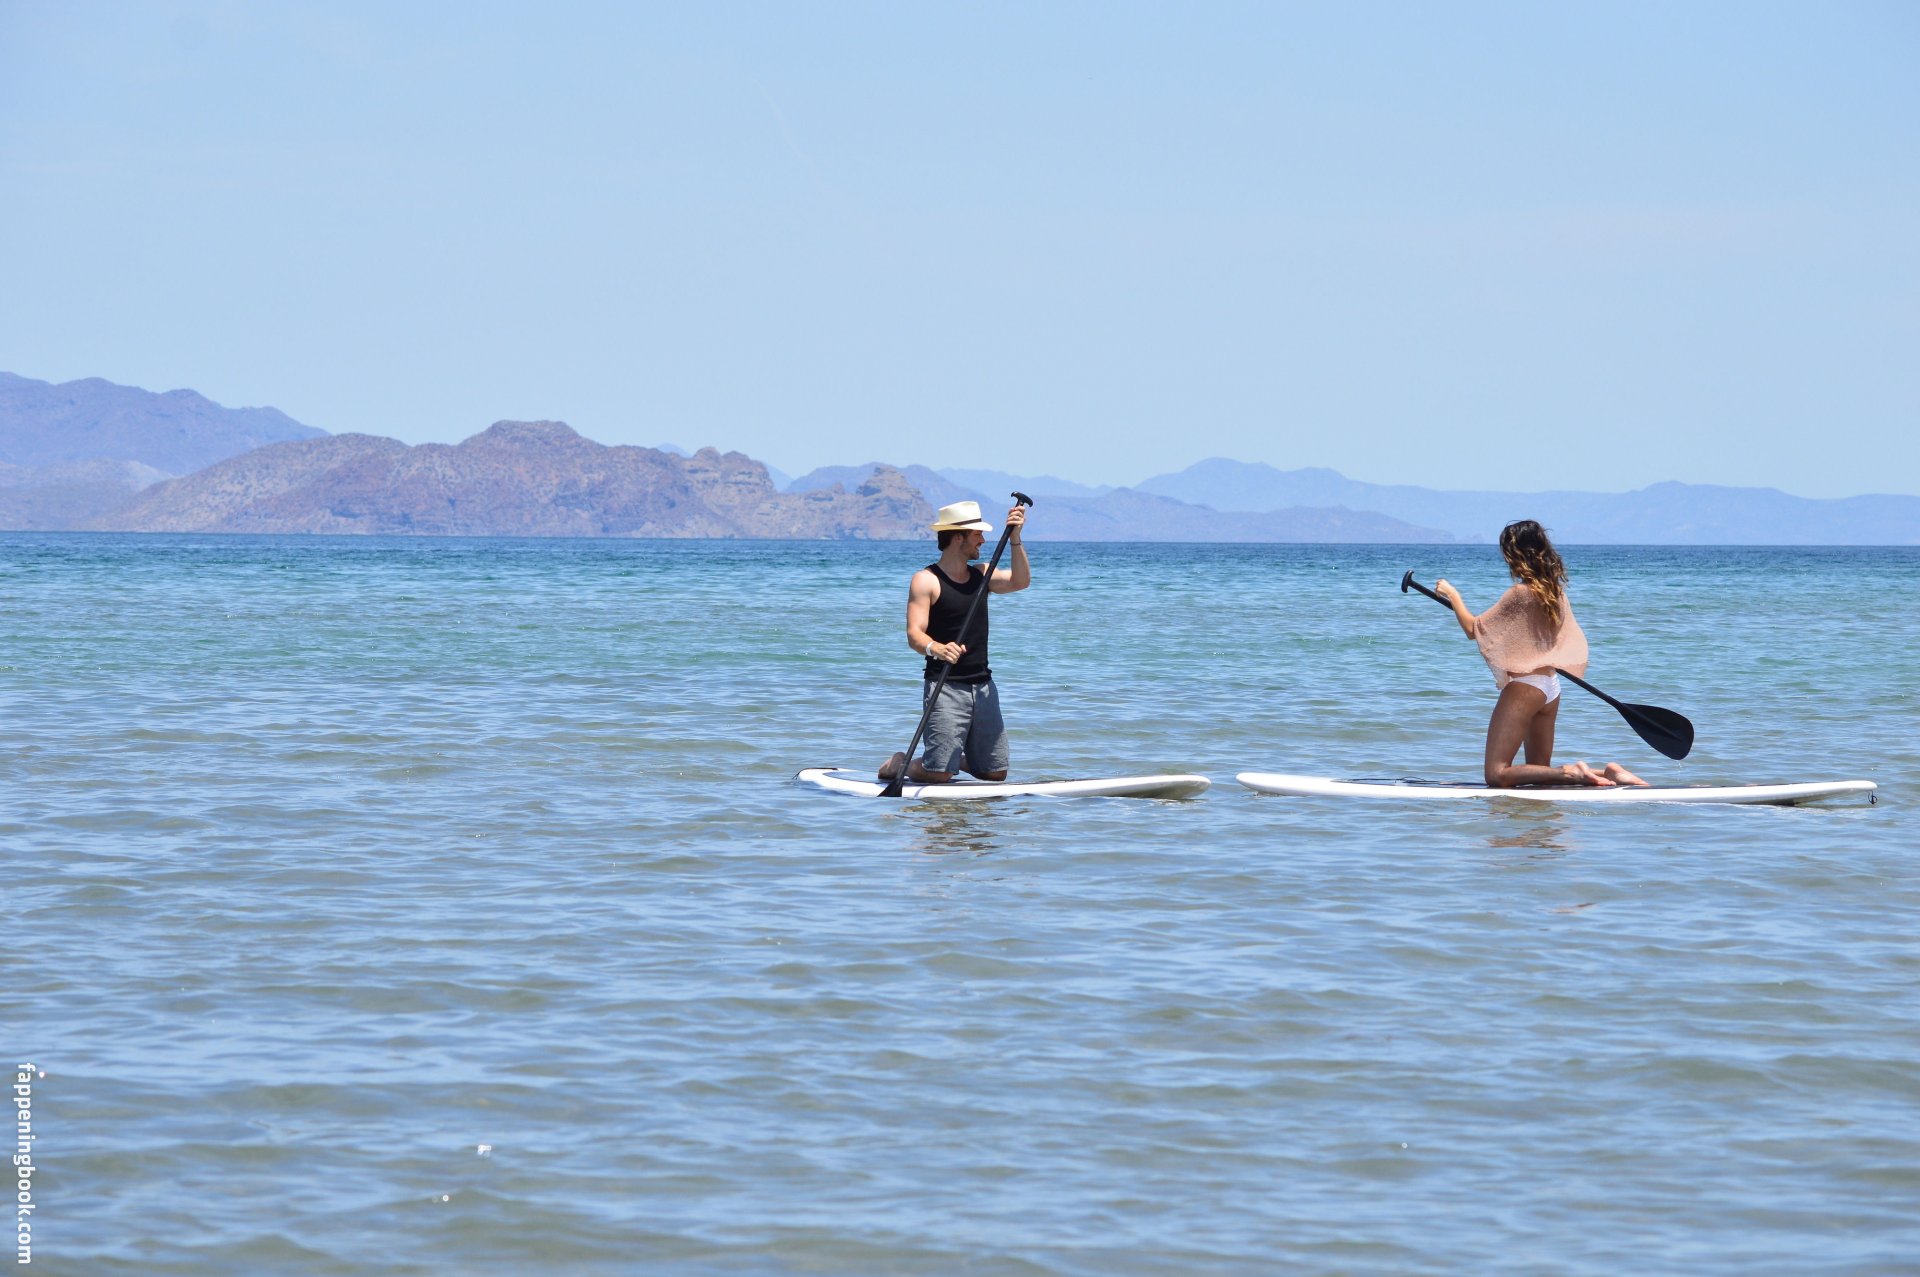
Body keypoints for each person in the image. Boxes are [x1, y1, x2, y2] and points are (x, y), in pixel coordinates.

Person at [1435, 519, 1647, 789]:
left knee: (1497, 774)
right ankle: (1608, 773)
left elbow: (1474, 629)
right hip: (1551, 688)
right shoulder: (1555, 593)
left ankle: (1572, 773)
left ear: (1515, 554)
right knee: (1541, 777)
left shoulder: (1519, 594)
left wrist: (1453, 595)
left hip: (1525, 688)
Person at [878, 499, 1030, 782]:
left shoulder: (982, 574)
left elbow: (1020, 582)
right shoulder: (926, 580)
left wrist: (1015, 538)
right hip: (945, 685)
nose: (982, 540)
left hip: (983, 685)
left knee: (995, 773)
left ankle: (954, 759)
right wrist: (935, 647)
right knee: (937, 775)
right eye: (977, 534)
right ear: (957, 537)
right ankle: (900, 763)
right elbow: (914, 634)